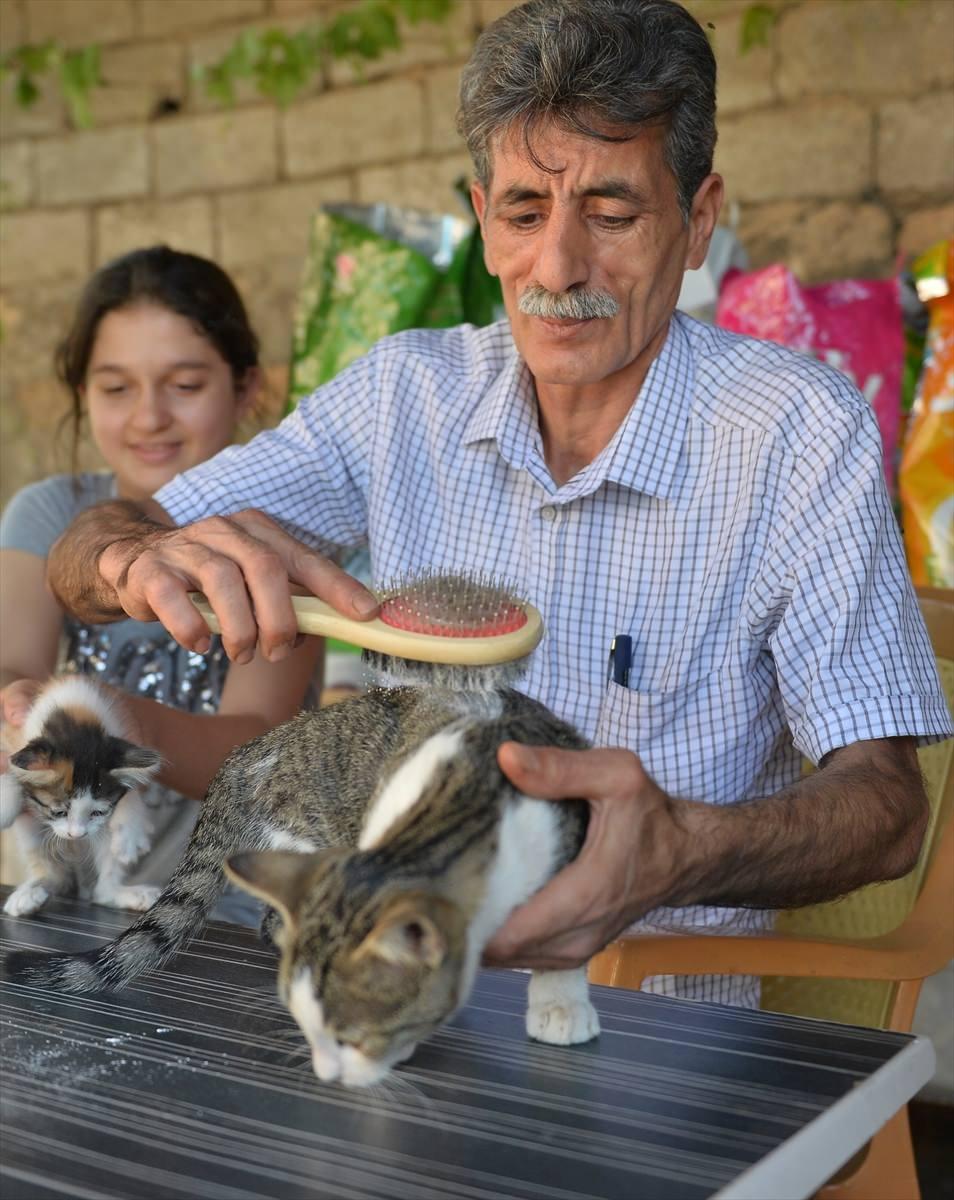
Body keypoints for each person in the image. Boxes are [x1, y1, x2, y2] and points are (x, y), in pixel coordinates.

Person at [43, 1, 952, 1001]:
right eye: (525, 214)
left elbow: (888, 811)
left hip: (648, 1031)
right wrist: (132, 556)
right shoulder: (405, 394)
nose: (558, 269)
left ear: (698, 221)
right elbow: (95, 545)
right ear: (483, 223)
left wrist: (685, 848)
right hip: (395, 995)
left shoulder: (792, 431)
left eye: (612, 215)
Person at [0, 246, 322, 918]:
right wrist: (17, 707)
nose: (149, 417)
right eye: (116, 388)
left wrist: (98, 720)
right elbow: (10, 670)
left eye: (185, 384)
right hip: (77, 900)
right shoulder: (49, 514)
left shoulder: (283, 547)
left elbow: (250, 747)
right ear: (83, 394)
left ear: (247, 389)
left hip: (234, 912)